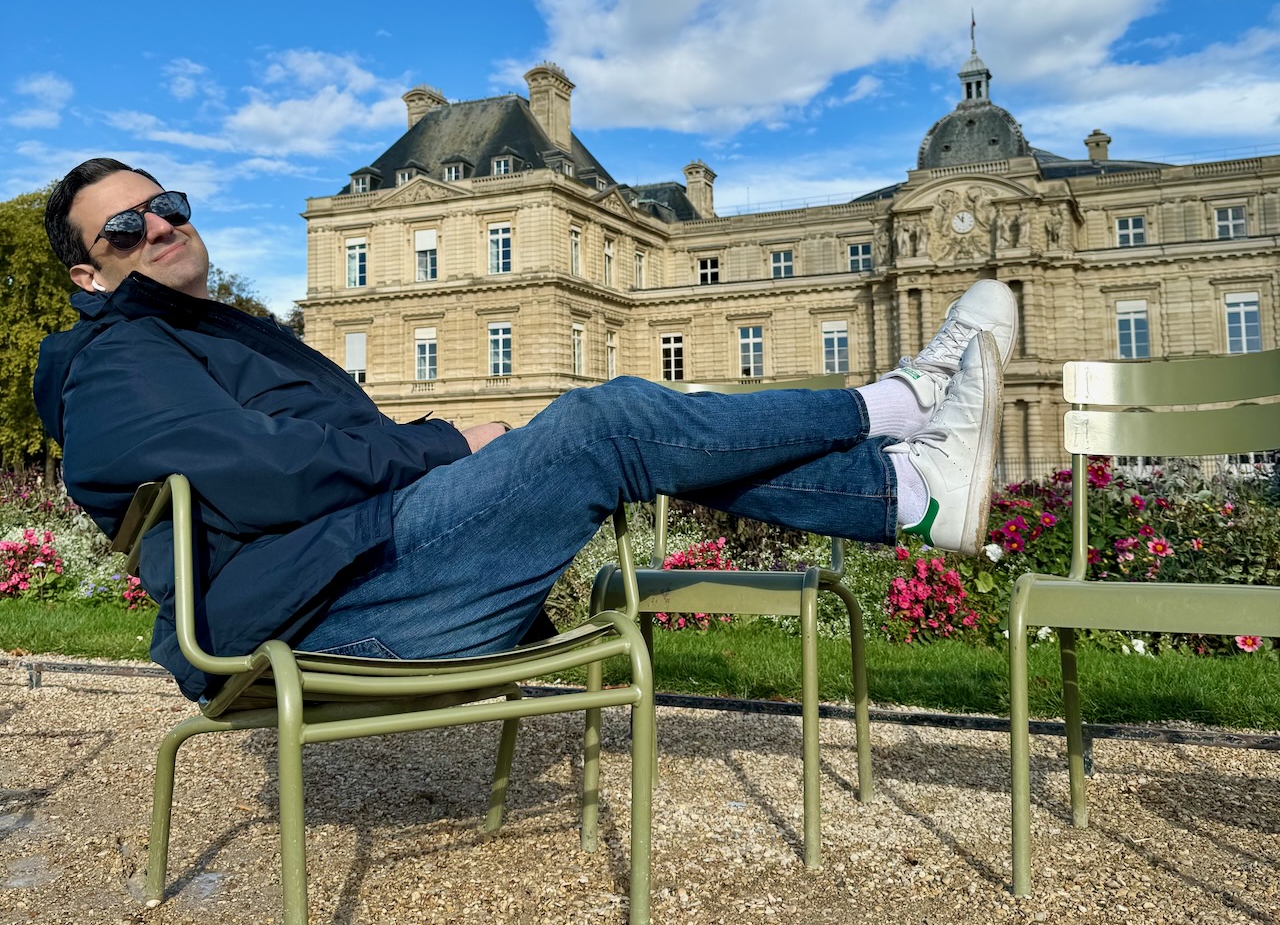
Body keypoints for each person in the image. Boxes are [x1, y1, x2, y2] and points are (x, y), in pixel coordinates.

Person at [35, 158, 1018, 701]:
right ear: (89, 274)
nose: (158, 227)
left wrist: (449, 443)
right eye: (124, 229)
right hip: (312, 622)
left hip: (348, 577)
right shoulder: (114, 360)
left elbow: (306, 456)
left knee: (633, 431)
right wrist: (442, 445)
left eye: (165, 206)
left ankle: (908, 490)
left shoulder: (201, 339)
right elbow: (260, 472)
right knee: (605, 421)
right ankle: (898, 410)